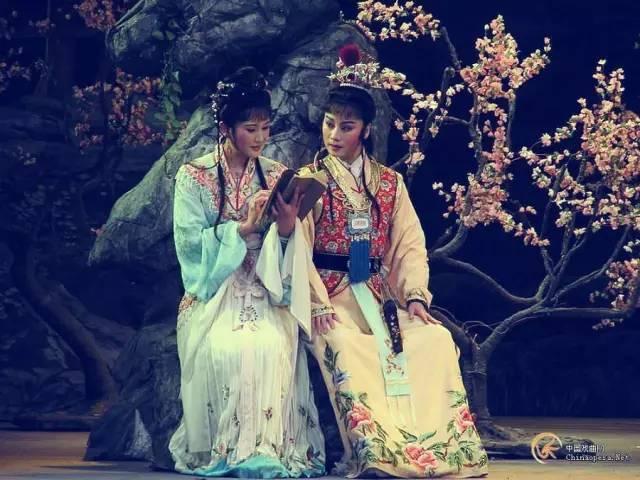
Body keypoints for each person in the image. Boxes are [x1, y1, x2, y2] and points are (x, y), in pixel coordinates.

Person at [299, 45, 489, 477]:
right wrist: (316, 301)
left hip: (378, 295)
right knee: (345, 347)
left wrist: (415, 297)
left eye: (346, 126)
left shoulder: (389, 183)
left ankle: (443, 450)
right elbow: (297, 249)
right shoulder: (310, 181)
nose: (334, 134)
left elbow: (407, 245)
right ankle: (376, 452)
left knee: (434, 340)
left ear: (365, 130)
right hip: (329, 296)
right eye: (329, 123)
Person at [169, 66, 325, 478]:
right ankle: (228, 448)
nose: (260, 138)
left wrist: (286, 225)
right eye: (250, 129)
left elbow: (290, 247)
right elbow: (189, 247)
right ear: (226, 128)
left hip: (266, 284)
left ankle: (266, 449)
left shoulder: (275, 174)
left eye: (266, 128)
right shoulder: (193, 177)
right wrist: (241, 229)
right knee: (228, 348)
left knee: (269, 345)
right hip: (215, 288)